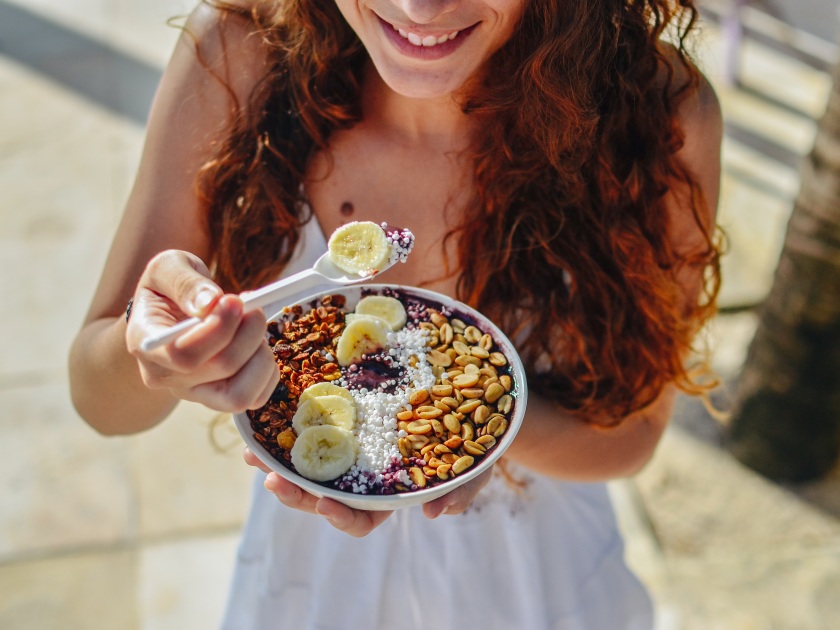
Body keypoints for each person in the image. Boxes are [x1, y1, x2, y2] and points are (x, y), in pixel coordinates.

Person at [69, 0, 723, 627]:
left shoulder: (654, 114)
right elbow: (99, 400)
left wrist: (474, 435)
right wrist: (152, 351)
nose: (418, 8)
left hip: (532, 579)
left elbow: (633, 435)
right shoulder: (242, 52)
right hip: (315, 584)